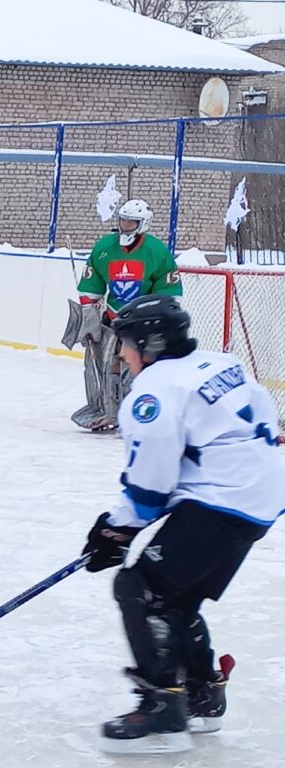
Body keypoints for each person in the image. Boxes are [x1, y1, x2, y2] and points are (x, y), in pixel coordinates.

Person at [80, 295, 285, 755]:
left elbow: (151, 483)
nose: (120, 354)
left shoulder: (153, 392)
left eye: (125, 344)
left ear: (148, 345)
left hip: (224, 502)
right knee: (174, 596)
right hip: (262, 495)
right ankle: (202, 694)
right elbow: (258, 422)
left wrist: (117, 530)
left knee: (139, 587)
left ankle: (161, 712)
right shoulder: (218, 362)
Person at [68, 199, 181, 432]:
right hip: (112, 319)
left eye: (131, 222)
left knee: (138, 370)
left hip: (143, 323)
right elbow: (92, 283)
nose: (125, 225)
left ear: (143, 224)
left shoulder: (157, 252)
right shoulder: (105, 247)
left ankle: (138, 413)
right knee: (100, 365)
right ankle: (105, 408)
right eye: (123, 220)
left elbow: (169, 293)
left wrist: (155, 319)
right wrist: (89, 313)